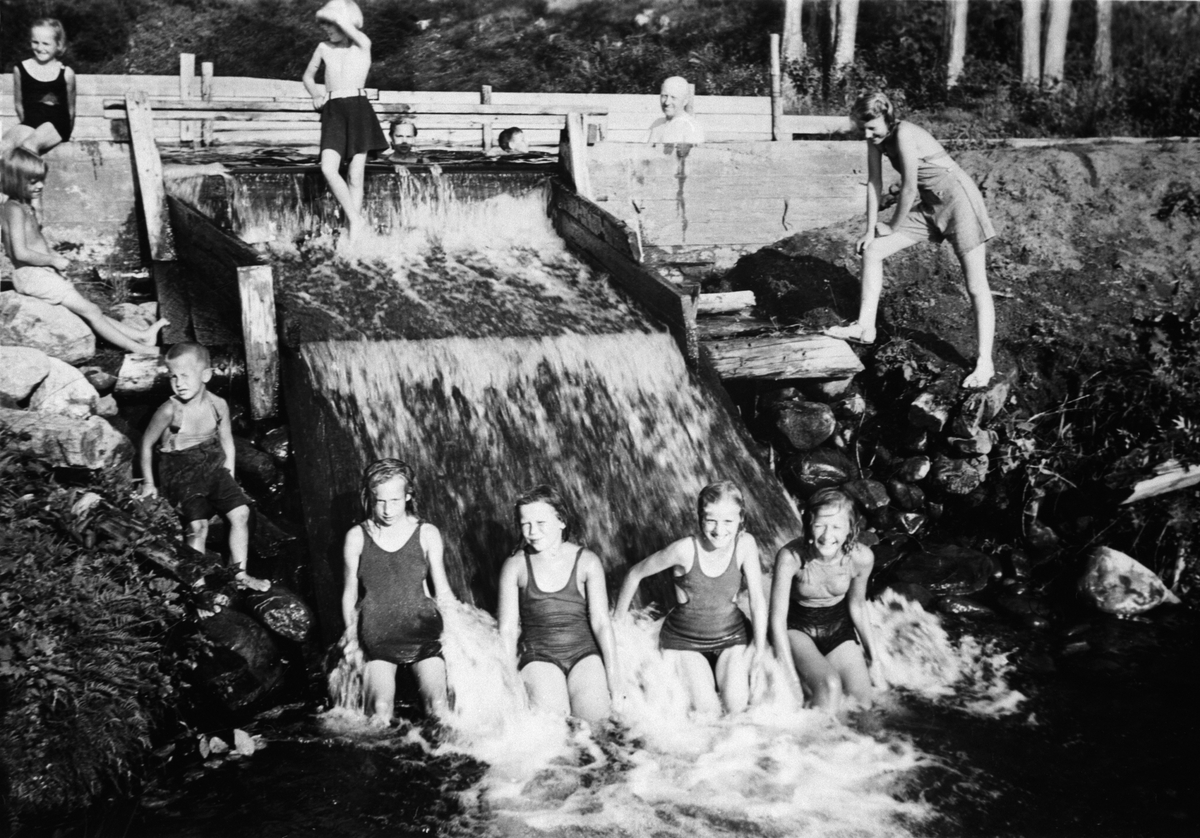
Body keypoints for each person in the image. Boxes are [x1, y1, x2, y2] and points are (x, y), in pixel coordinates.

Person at [826, 91, 997, 389]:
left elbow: (907, 189)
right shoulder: (874, 139)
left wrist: (892, 225)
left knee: (975, 285)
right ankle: (865, 327)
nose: (867, 134)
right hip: (931, 205)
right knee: (873, 250)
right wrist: (870, 229)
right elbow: (873, 183)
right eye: (862, 128)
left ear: (888, 118)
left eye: (872, 128)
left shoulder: (904, 133)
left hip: (959, 202)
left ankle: (985, 362)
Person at [615, 481, 767, 715]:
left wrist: (757, 645)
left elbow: (757, 600)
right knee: (708, 713)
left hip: (732, 636)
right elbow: (635, 574)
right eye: (711, 519)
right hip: (686, 642)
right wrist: (618, 624)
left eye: (728, 521)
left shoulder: (745, 544)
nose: (719, 529)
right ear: (699, 518)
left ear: (741, 520)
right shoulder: (684, 550)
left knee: (738, 710)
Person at [1, 148, 166, 355]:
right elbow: (20, 253)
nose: (41, 186)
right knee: (92, 311)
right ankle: (141, 349)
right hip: (32, 276)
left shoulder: (23, 205)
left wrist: (51, 259)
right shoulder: (13, 210)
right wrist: (53, 260)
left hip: (40, 273)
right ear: (14, 180)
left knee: (89, 309)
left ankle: (140, 335)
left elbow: (35, 237)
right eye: (33, 182)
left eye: (41, 180)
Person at [140, 343, 271, 593]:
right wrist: (149, 483)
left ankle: (239, 574)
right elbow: (146, 445)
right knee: (198, 527)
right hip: (179, 470)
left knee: (241, 513)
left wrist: (229, 474)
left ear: (206, 375)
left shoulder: (218, 404)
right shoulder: (170, 409)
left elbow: (227, 442)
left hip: (210, 464)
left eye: (185, 375)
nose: (179, 383)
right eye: (173, 377)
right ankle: (199, 587)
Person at [341, 458, 455, 720]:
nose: (387, 509)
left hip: (424, 635)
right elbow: (349, 592)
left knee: (438, 708)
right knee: (380, 710)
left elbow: (443, 590)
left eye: (394, 500)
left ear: (408, 496)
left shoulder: (426, 533)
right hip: (378, 639)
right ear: (370, 497)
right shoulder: (357, 537)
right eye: (380, 501)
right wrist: (351, 639)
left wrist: (456, 637)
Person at [497, 485, 617, 725]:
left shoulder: (587, 561)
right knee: (554, 730)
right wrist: (510, 680)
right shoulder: (515, 566)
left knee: (597, 727)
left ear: (561, 521)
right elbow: (508, 630)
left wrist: (615, 679)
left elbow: (602, 623)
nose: (532, 532)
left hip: (584, 654)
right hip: (538, 656)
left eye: (541, 523)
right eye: (525, 524)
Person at [769, 488, 888, 713]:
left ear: (850, 530)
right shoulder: (791, 557)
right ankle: (817, 745)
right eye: (820, 524)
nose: (827, 535)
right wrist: (790, 675)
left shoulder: (861, 558)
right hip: (797, 628)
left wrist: (875, 660)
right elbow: (776, 618)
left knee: (864, 704)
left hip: (838, 627)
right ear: (808, 525)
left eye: (836, 526)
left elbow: (858, 605)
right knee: (830, 686)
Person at [301, 0, 387, 241]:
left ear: (346, 23)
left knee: (355, 175)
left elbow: (342, 21)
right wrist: (316, 94)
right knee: (328, 168)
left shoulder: (363, 45)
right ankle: (357, 220)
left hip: (359, 109)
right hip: (333, 111)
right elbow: (307, 76)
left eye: (331, 25)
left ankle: (352, 232)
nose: (327, 30)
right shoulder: (322, 47)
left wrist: (333, 12)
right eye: (324, 25)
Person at [5, 18, 75, 156]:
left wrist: (65, 137)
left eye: (46, 44)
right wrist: (27, 127)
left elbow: (71, 111)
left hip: (56, 125)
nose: (40, 48)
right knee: (4, 146)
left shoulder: (66, 73)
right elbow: (19, 104)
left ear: (58, 45)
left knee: (28, 146)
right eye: (35, 42)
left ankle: (33, 178)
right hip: (31, 121)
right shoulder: (20, 69)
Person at [646, 76, 705, 145]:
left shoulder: (691, 127)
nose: (667, 102)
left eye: (673, 97)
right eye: (664, 96)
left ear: (685, 100)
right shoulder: (657, 124)